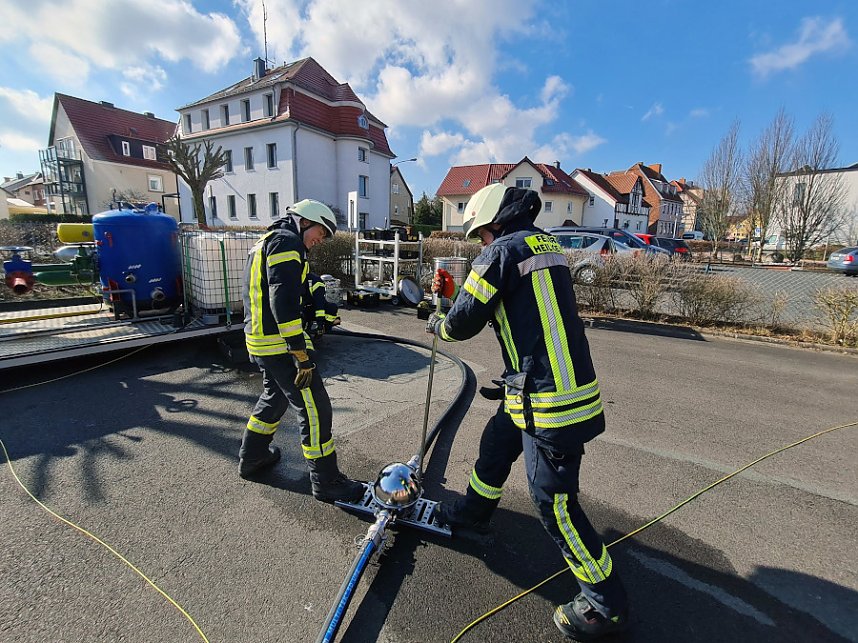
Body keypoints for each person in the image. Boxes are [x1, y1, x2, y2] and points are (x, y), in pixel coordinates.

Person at [426, 184, 629, 640]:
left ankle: (605, 604)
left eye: (480, 233)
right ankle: (475, 511)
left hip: (548, 401)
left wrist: (438, 319)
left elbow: (461, 323)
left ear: (495, 223)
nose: (481, 241)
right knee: (496, 445)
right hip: (548, 387)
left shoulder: (498, 253)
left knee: (554, 504)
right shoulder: (547, 244)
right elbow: (524, 308)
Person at [238, 199, 364, 504]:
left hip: (260, 341)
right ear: (304, 221)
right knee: (315, 408)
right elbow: (281, 298)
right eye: (320, 232)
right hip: (280, 345)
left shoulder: (268, 240)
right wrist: (300, 352)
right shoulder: (286, 241)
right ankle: (327, 481)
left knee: (275, 396)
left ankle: (253, 457)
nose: (320, 240)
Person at [302, 272, 341, 340]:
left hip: (310, 308)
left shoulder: (315, 281)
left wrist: (320, 325)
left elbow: (319, 305)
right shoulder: (293, 279)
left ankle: (326, 328)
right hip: (298, 309)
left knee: (332, 308)